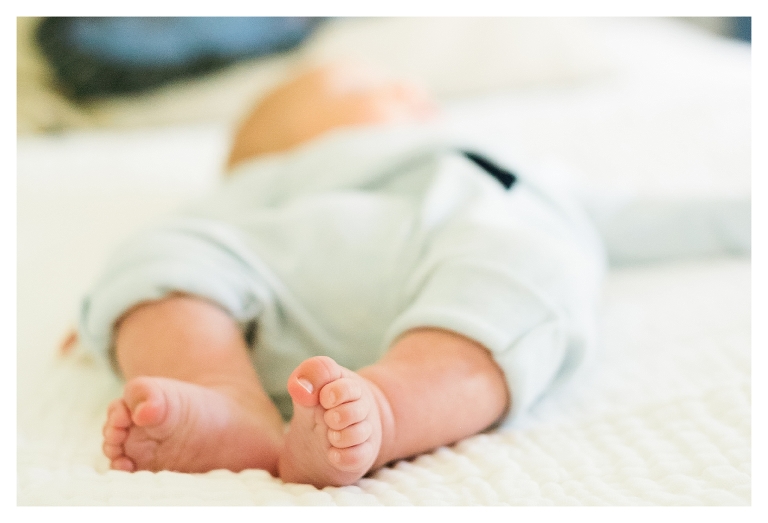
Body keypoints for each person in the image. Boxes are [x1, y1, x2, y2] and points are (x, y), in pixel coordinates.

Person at [78, 63, 605, 488]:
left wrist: (136, 290)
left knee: (529, 260)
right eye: (369, 86)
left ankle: (386, 406)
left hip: (455, 265)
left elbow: (639, 217)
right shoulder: (267, 174)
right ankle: (223, 394)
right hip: (278, 288)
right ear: (287, 136)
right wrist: (131, 303)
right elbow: (188, 242)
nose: (406, 84)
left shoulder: (516, 173)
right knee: (158, 254)